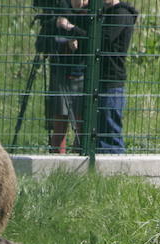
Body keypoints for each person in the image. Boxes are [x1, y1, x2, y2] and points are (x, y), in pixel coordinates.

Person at [55, 0, 137, 153]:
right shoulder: (105, 13)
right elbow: (90, 34)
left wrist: (71, 28)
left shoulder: (121, 14)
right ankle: (100, 171)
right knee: (98, 134)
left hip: (110, 82)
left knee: (109, 133)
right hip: (97, 80)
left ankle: (115, 170)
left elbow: (100, 42)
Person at [35, 0, 87, 153]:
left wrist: (74, 33)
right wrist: (57, 25)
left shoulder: (92, 12)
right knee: (59, 121)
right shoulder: (58, 10)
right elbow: (42, 44)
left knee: (81, 121)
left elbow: (94, 40)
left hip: (82, 72)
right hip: (60, 71)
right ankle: (57, 157)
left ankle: (80, 152)